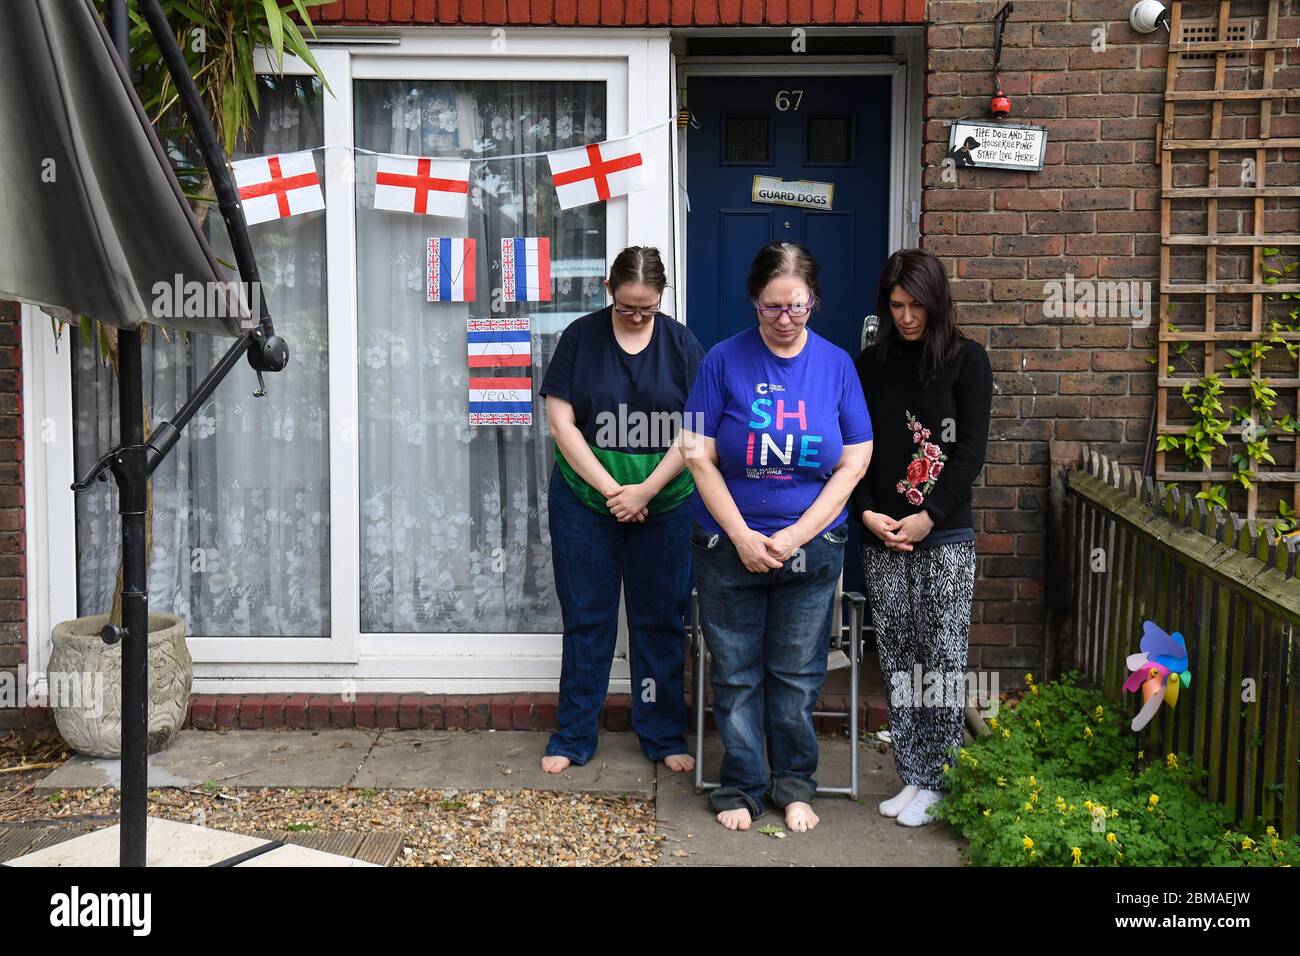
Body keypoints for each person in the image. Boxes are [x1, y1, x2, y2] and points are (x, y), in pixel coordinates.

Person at [683, 241, 873, 832]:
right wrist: (741, 534)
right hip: (727, 545)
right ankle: (740, 786)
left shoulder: (838, 364)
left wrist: (795, 535)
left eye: (797, 306)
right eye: (771, 308)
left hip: (812, 548)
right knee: (736, 672)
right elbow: (695, 450)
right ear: (754, 302)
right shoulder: (719, 360)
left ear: (813, 300)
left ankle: (794, 786)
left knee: (796, 674)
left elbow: (857, 457)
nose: (785, 319)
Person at [539, 246, 704, 775]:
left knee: (659, 620)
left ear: (661, 299)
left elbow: (696, 432)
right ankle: (574, 735)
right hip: (586, 502)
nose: (637, 317)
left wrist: (645, 493)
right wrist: (615, 490)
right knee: (587, 617)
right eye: (627, 306)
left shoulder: (681, 345)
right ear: (609, 290)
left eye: (647, 309)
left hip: (665, 503)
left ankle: (660, 733)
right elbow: (562, 423)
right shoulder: (580, 339)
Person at [849, 248, 993, 827]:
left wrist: (929, 515)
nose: (906, 316)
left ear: (938, 302)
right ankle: (912, 774)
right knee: (899, 656)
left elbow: (969, 452)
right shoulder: (869, 365)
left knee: (941, 659)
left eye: (916, 306)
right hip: (881, 533)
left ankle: (941, 778)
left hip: (944, 536)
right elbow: (854, 452)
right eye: (896, 305)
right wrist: (864, 514)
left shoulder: (967, 361)